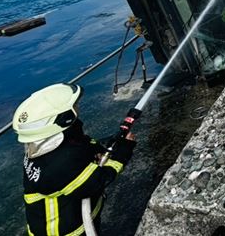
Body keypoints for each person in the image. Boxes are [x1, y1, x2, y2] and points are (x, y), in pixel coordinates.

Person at [12, 83, 135, 236]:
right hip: (67, 231)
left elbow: (84, 147)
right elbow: (97, 181)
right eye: (75, 105)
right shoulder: (60, 163)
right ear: (65, 118)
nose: (78, 107)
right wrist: (124, 150)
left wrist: (110, 143)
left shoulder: (44, 145)